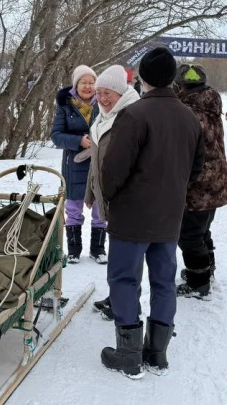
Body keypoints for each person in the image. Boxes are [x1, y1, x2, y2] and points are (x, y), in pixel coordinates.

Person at [99, 47, 205, 378]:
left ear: (142, 78)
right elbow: (198, 167)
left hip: (132, 216)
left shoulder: (134, 115)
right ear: (172, 77)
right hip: (168, 215)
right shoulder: (189, 116)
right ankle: (157, 353)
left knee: (124, 279)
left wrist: (112, 198)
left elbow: (113, 170)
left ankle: (130, 354)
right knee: (163, 282)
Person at [85, 65, 141, 317]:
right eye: (99, 92)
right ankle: (117, 298)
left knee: (125, 259)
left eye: (109, 93)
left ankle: (126, 305)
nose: (103, 98)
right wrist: (90, 192)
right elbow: (95, 160)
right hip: (107, 193)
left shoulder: (130, 117)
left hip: (125, 198)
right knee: (119, 257)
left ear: (121, 93)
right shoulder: (101, 118)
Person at [174, 64, 227, 299]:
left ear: (180, 85)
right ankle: (207, 268)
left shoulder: (186, 111)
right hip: (215, 181)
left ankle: (199, 281)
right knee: (202, 229)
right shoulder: (210, 106)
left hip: (197, 183)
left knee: (189, 235)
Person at [51, 65, 100, 263]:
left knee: (99, 206)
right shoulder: (65, 105)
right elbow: (56, 135)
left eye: (91, 82)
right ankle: (73, 250)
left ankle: (98, 250)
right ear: (76, 84)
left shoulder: (104, 102)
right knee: (73, 207)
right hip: (74, 164)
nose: (88, 86)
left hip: (98, 162)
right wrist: (78, 141)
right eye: (83, 82)